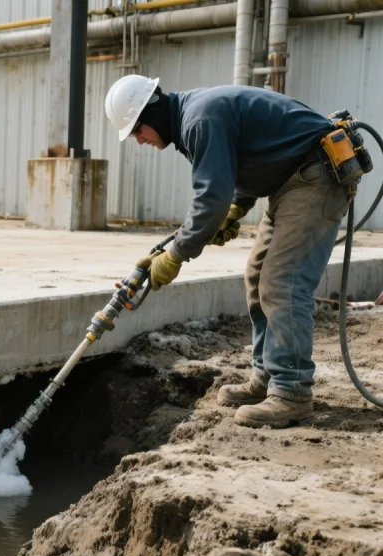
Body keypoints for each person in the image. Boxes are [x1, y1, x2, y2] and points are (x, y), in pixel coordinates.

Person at [104, 76, 351, 429]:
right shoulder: (195, 115)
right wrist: (237, 208)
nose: (139, 140)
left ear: (151, 113)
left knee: (282, 280)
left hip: (316, 177)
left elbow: (211, 199)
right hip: (292, 179)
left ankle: (292, 391)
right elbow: (259, 152)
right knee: (257, 274)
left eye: (137, 131)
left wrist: (176, 254)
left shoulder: (199, 119)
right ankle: (267, 376)